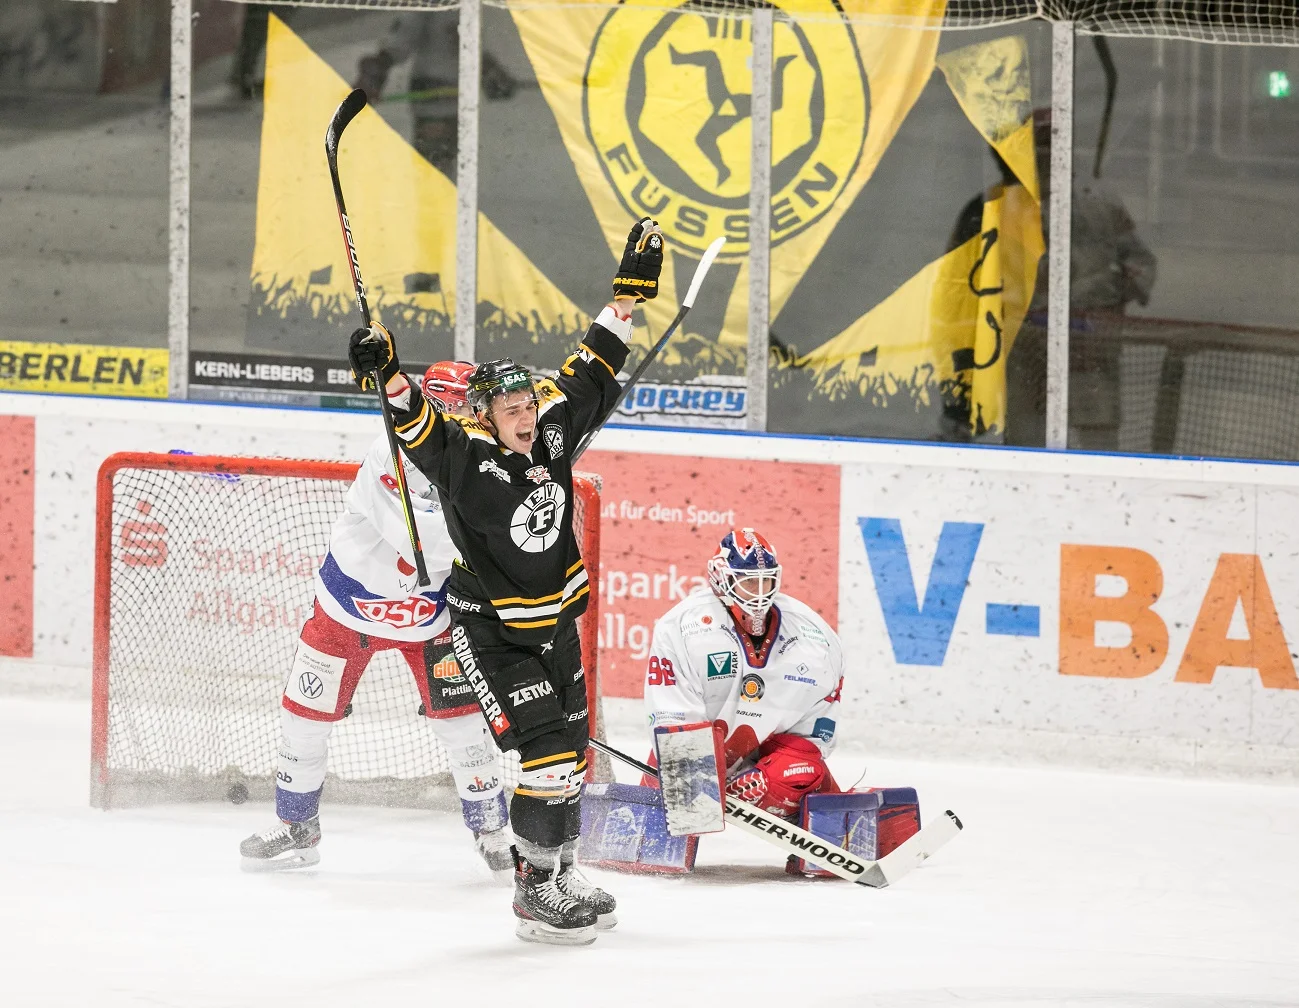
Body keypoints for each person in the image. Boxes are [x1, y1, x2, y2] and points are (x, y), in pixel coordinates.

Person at [346, 218, 665, 945]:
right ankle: (531, 891)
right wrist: (388, 375)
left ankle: (562, 871)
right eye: (511, 411)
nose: (525, 419)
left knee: (573, 754)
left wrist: (626, 298)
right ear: (485, 415)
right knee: (545, 757)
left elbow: (593, 366)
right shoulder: (464, 457)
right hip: (492, 635)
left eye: (529, 407)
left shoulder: (552, 427)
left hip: (554, 626)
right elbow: (417, 425)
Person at [239, 362, 515, 880]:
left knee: (462, 725)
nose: (459, 414)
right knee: (304, 717)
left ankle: (491, 831)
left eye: (467, 405)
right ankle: (298, 827)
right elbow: (423, 541)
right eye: (448, 404)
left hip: (432, 616)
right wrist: (494, 529)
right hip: (350, 606)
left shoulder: (494, 461)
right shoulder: (389, 453)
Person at [642, 529, 845, 819]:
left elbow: (815, 735)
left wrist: (771, 778)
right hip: (697, 754)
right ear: (722, 578)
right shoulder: (681, 626)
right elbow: (670, 718)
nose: (759, 593)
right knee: (681, 763)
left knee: (804, 771)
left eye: (766, 582)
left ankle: (831, 831)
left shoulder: (816, 635)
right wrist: (700, 781)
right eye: (749, 582)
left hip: (766, 763)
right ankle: (658, 836)